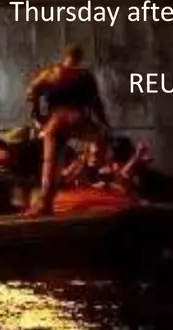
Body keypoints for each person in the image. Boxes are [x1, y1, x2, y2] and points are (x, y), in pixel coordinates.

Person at [23, 44, 111, 216]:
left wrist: (36, 114)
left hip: (56, 122)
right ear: (78, 57)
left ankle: (45, 204)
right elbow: (96, 104)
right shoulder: (85, 75)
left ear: (65, 56)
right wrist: (104, 123)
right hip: (76, 117)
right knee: (100, 138)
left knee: (51, 164)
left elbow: (31, 91)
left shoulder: (51, 72)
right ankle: (94, 167)